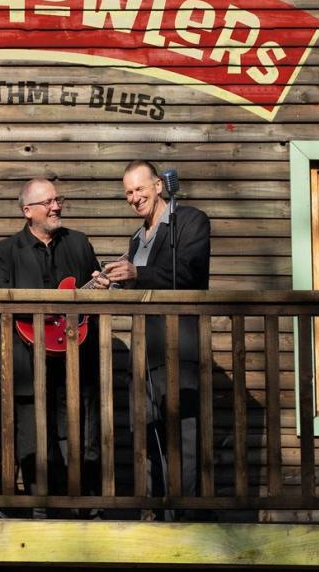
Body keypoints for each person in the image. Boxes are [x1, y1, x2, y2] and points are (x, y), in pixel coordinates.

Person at [99, 160, 210, 510]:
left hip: (180, 345)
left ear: (159, 185)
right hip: (145, 351)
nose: (134, 198)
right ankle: (156, 510)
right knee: (149, 433)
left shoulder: (189, 219)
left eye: (139, 189)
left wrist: (137, 273)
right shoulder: (136, 238)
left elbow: (189, 273)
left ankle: (188, 512)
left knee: (185, 435)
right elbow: (138, 284)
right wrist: (113, 284)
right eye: (128, 193)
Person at [0, 178, 101, 502]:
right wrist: (44, 309)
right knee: (33, 438)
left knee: (79, 435)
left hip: (76, 358)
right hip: (26, 361)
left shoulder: (79, 244)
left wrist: (103, 286)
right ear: (27, 210)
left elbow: (97, 286)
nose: (56, 207)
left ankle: (82, 507)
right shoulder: (4, 251)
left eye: (57, 200)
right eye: (48, 202)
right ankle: (42, 510)